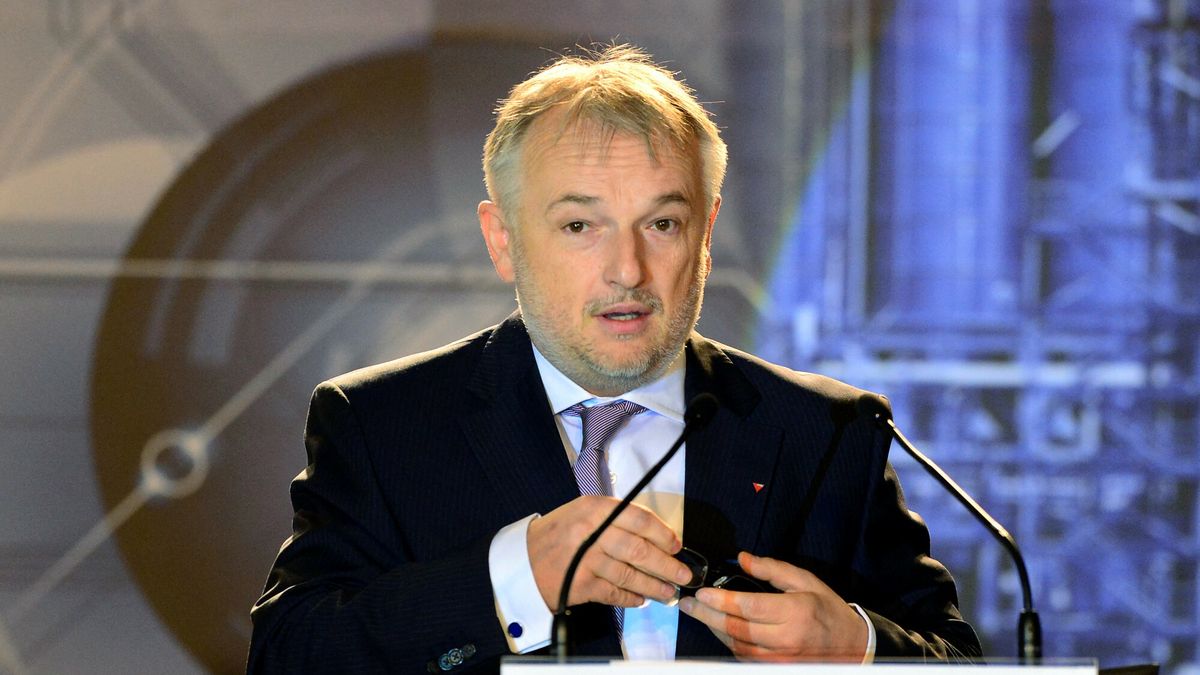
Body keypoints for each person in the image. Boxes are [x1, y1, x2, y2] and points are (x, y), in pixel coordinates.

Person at [247, 44, 980, 673]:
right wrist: (515, 578)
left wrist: (854, 646)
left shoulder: (826, 429)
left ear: (707, 232)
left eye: (662, 222)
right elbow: (288, 653)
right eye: (579, 225)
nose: (626, 268)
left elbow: (955, 655)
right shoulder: (383, 422)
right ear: (502, 238)